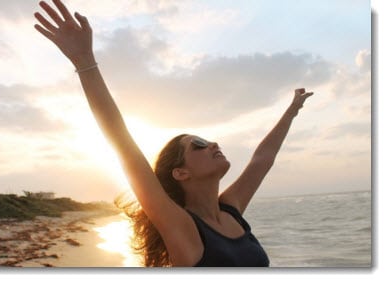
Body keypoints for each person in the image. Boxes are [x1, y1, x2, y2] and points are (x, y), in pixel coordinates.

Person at [34, 0, 313, 267]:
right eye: (198, 145)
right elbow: (124, 145)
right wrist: (85, 61)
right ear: (180, 173)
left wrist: (291, 112)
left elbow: (261, 160)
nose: (212, 143)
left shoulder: (231, 211)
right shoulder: (182, 227)